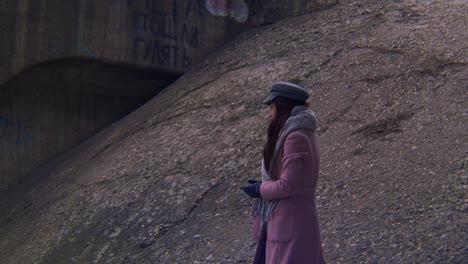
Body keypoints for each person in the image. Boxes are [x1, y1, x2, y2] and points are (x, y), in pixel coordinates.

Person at [241, 81, 325, 264]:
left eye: (272, 107)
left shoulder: (295, 137)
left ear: (282, 106)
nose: (270, 114)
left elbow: (288, 185)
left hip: (290, 221)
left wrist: (260, 189)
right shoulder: (303, 133)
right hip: (294, 219)